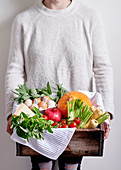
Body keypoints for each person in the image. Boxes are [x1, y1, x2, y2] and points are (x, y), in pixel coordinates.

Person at [6, 0, 114, 169]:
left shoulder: (90, 18)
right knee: (42, 167)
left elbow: (102, 69)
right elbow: (14, 71)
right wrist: (11, 112)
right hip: (38, 118)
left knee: (71, 167)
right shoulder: (24, 20)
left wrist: (106, 114)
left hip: (77, 120)